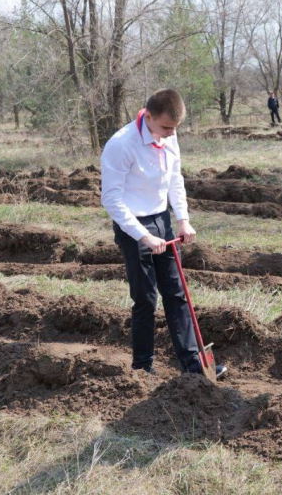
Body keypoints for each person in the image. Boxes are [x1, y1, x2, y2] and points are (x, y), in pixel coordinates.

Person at [101, 88, 227, 378]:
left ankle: (193, 364)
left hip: (162, 219)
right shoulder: (121, 145)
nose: (171, 134)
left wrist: (183, 219)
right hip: (132, 224)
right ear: (149, 116)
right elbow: (111, 199)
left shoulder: (170, 136)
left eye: (175, 128)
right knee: (145, 298)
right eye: (166, 127)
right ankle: (142, 368)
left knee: (176, 292)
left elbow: (175, 178)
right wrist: (142, 236)